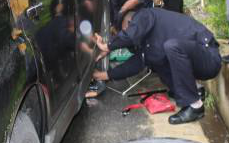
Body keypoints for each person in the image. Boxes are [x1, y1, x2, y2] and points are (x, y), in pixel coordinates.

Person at [92, 8, 221, 124]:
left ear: (131, 23)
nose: (124, 35)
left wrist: (108, 46)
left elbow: (131, 34)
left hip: (208, 57)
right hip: (198, 61)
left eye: (124, 30)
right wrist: (103, 75)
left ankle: (196, 107)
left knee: (172, 47)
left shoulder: (145, 14)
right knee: (157, 59)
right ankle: (196, 90)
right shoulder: (148, 41)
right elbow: (136, 63)